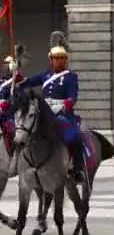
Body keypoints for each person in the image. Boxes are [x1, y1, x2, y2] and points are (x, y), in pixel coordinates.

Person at [17, 31, 85, 182]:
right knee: (25, 130)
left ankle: (77, 169)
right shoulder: (45, 75)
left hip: (63, 115)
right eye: (56, 59)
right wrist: (17, 75)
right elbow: (27, 82)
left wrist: (60, 105)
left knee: (75, 137)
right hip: (45, 113)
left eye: (62, 59)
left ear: (65, 60)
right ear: (51, 60)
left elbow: (72, 98)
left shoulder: (70, 77)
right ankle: (22, 163)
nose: (59, 61)